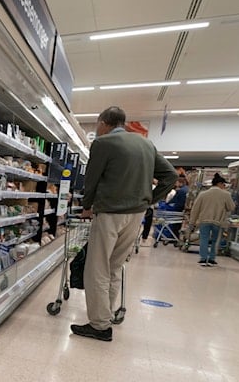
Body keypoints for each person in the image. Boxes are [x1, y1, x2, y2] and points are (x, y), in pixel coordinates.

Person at [74, 106, 176, 341]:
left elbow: (92, 179)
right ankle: (106, 315)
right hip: (136, 215)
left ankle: (99, 325)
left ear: (103, 123)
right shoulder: (146, 144)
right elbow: (170, 176)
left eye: (97, 125)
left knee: (96, 268)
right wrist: (150, 200)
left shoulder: (102, 144)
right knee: (114, 266)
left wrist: (87, 206)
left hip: (110, 213)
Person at [190, 172, 236, 266]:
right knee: (215, 240)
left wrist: (192, 222)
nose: (224, 186)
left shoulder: (203, 194)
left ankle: (203, 259)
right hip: (218, 221)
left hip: (204, 220)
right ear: (219, 184)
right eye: (224, 184)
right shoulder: (226, 194)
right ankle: (211, 259)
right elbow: (231, 207)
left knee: (204, 239)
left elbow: (195, 209)